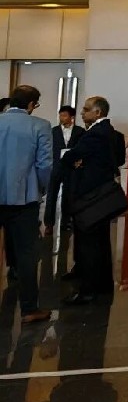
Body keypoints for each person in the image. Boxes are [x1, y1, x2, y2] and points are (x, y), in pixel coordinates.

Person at [58, 96, 126, 306]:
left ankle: (88, 290)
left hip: (91, 195)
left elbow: (72, 156)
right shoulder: (109, 132)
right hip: (101, 195)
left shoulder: (96, 133)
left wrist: (75, 161)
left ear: (98, 112)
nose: (82, 112)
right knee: (101, 241)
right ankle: (103, 283)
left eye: (86, 109)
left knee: (89, 244)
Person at [0, 85, 53, 324]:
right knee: (26, 254)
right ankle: (29, 309)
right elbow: (45, 165)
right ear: (31, 104)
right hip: (24, 199)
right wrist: (41, 188)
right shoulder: (40, 126)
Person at [44, 105, 84, 233]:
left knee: (69, 195)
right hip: (56, 166)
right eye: (60, 115)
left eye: (65, 115)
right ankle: (49, 223)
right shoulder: (53, 131)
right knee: (52, 194)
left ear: (72, 117)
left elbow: (82, 148)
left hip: (71, 167)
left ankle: (66, 222)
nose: (62, 118)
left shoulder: (79, 131)